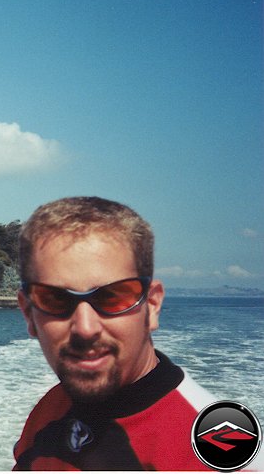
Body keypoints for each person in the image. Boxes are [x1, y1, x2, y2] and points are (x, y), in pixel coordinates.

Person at [13, 196, 217, 470]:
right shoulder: (49, 411)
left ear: (153, 305)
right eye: (54, 299)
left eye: (113, 297)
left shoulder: (215, 452)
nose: (85, 328)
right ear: (28, 314)